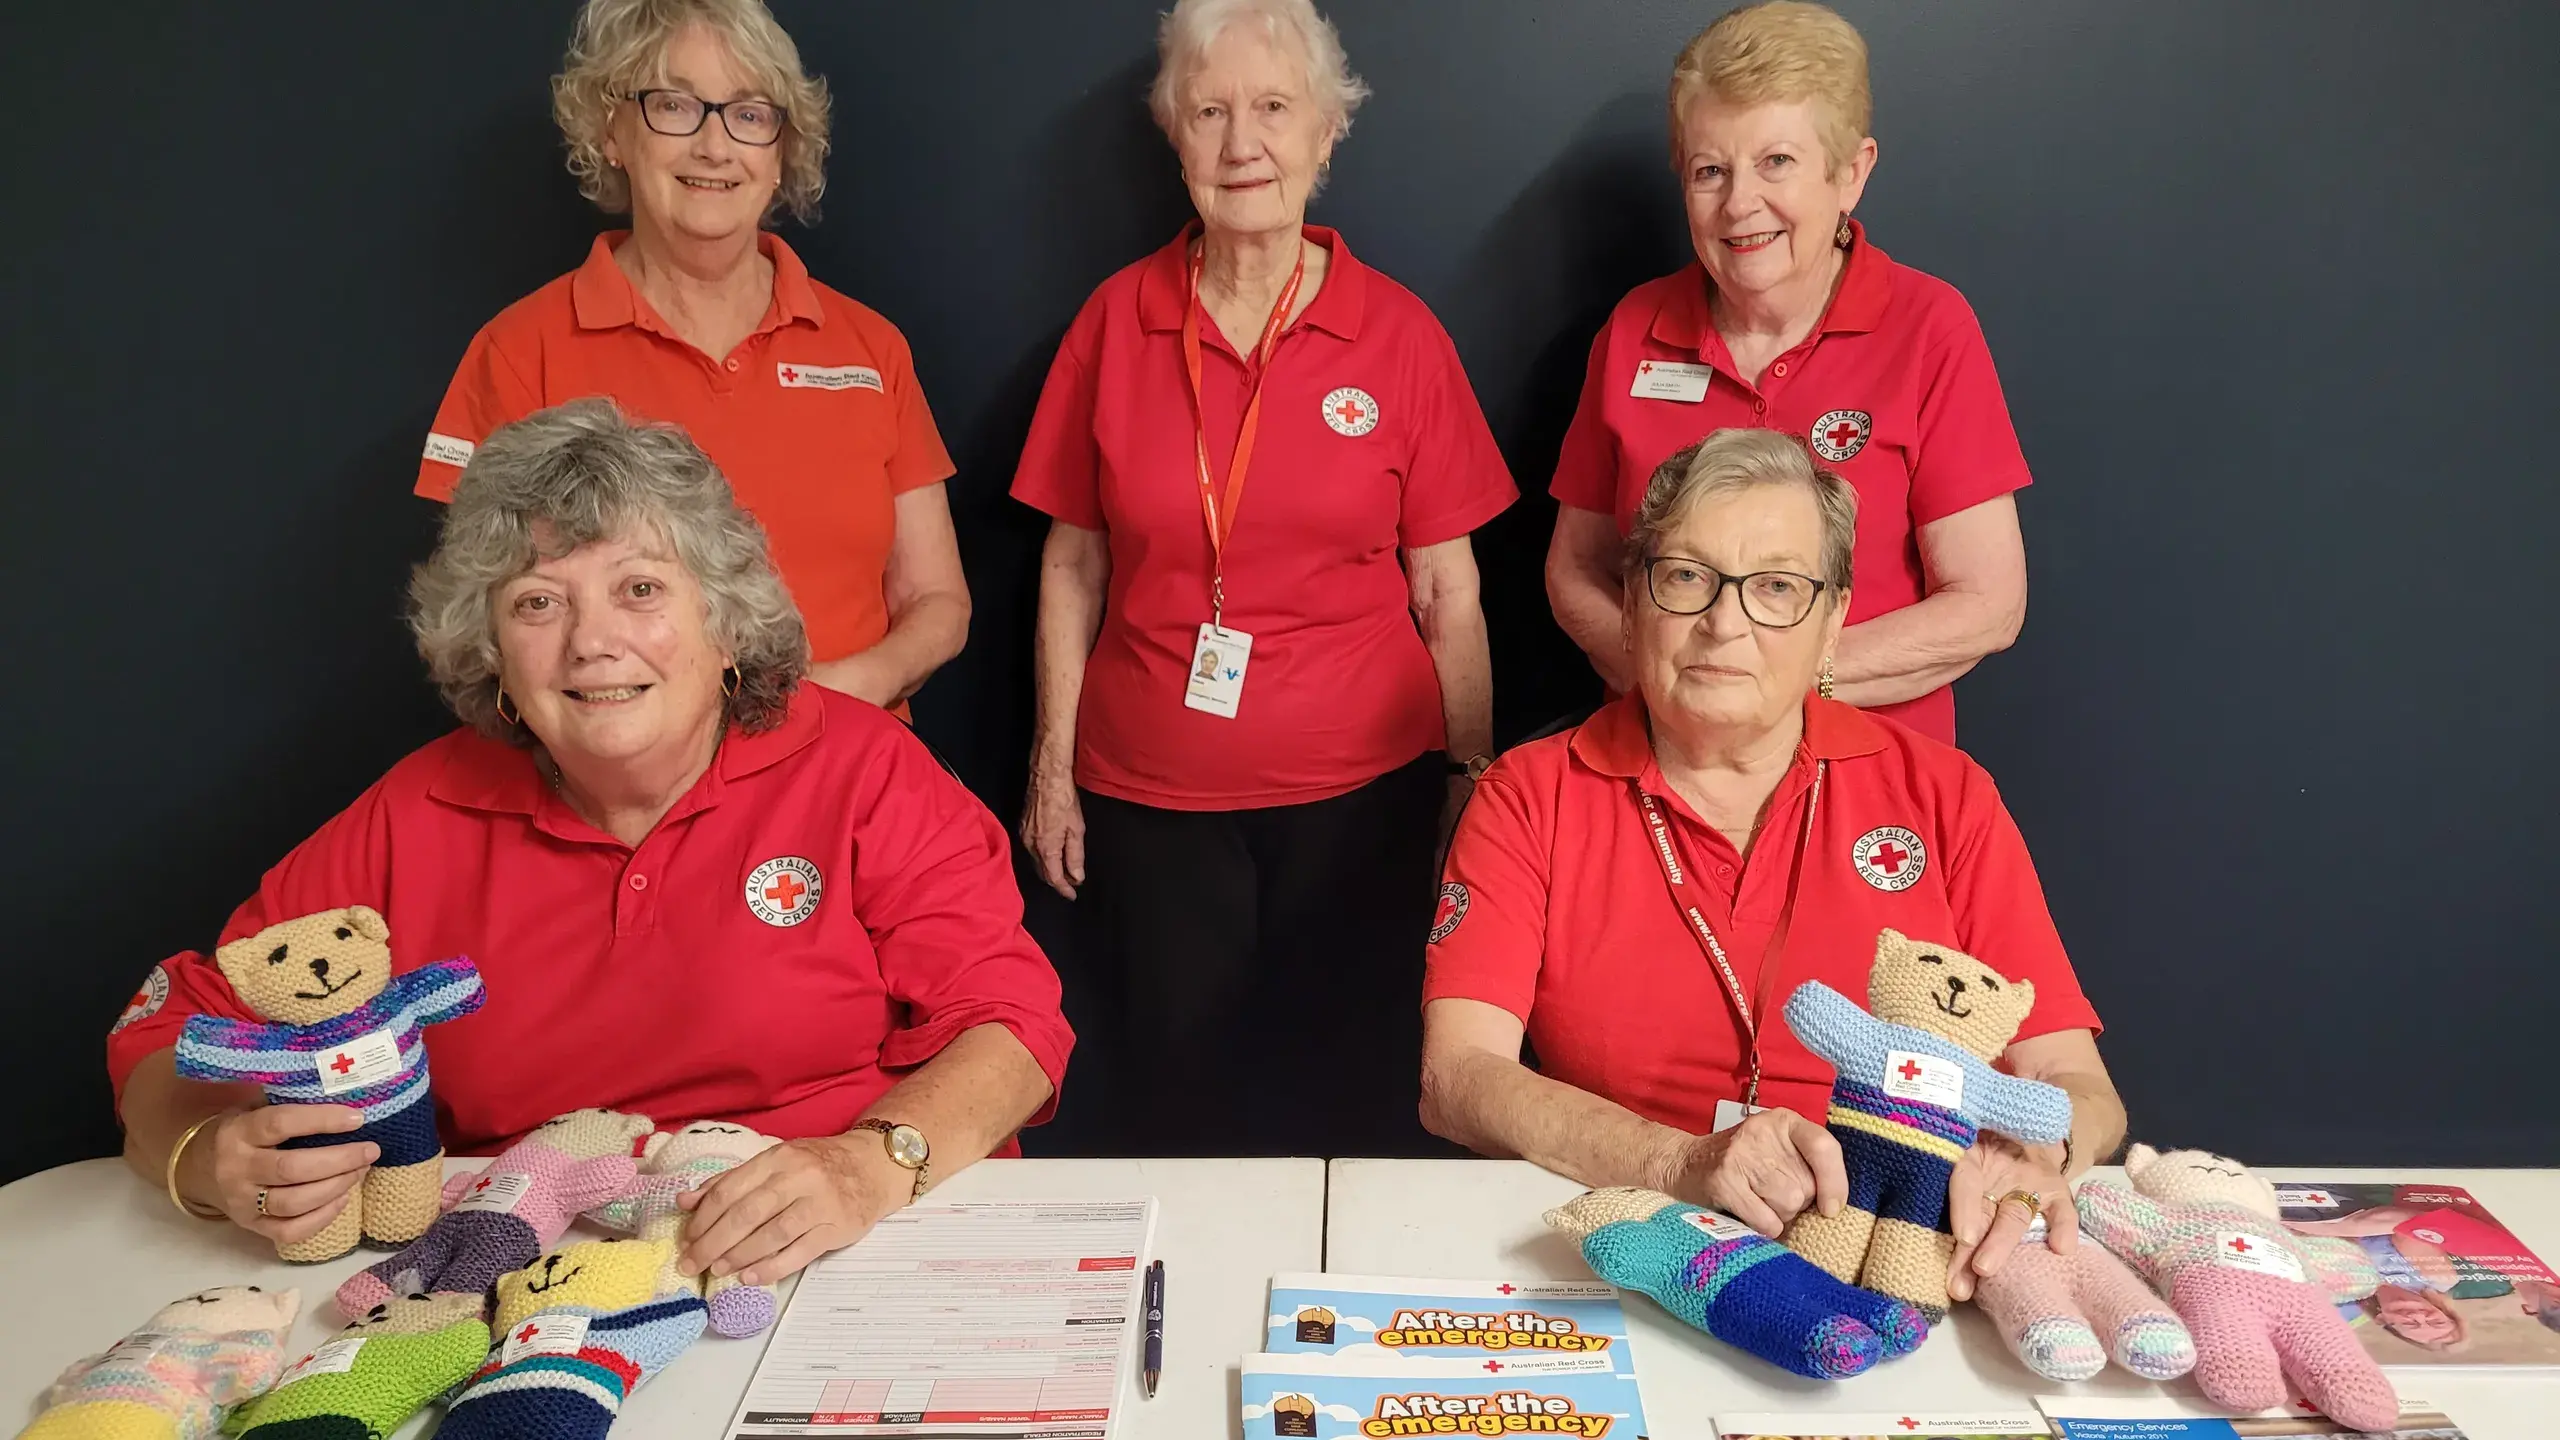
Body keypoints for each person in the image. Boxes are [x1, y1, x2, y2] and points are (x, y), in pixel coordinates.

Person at [111, 401, 1071, 1288]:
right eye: (538, 602)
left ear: (727, 623)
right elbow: (167, 1030)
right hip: (535, 1270)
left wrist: (870, 1165)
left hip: (852, 1245)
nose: (591, 643)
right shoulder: (417, 812)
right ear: (490, 650)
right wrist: (206, 1155)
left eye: (641, 588)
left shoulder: (862, 769)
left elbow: (1015, 1026)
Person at [1420, 428, 2123, 1303]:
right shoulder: (1531, 792)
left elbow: (2074, 1082)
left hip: (1908, 1253)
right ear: (1633, 603)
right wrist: (1681, 1160)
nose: (1725, 623)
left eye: (1778, 589)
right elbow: (1457, 1078)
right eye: (1685, 577)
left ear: (1832, 623)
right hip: (1629, 1242)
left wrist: (2028, 1159)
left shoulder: (1944, 794)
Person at [1011, 0, 1513, 1155]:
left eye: (1274, 109)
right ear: (1174, 138)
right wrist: (1050, 767)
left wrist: (1467, 781)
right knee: (1178, 1096)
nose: (1243, 142)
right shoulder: (1112, 323)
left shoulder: (1398, 336)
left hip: (1365, 799)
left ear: (1326, 135)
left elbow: (1449, 590)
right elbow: (1071, 564)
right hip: (1151, 801)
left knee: (1351, 1087)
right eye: (1210, 111)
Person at [418, 0, 967, 714]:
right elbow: (478, 624)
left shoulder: (870, 347)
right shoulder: (521, 352)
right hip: (622, 800)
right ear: (612, 132)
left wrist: (840, 698)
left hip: (850, 775)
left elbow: (938, 601)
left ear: (780, 151)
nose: (715, 146)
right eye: (675, 106)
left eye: (749, 114)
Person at [1544, 1, 2031, 746]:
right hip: (1660, 772)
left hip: (1868, 773)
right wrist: (1668, 681)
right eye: (1711, 170)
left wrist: (1767, 679)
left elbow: (1988, 603)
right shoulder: (1633, 331)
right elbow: (1576, 570)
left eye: (1777, 162)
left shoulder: (1928, 327)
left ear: (1850, 173)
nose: (1740, 204)